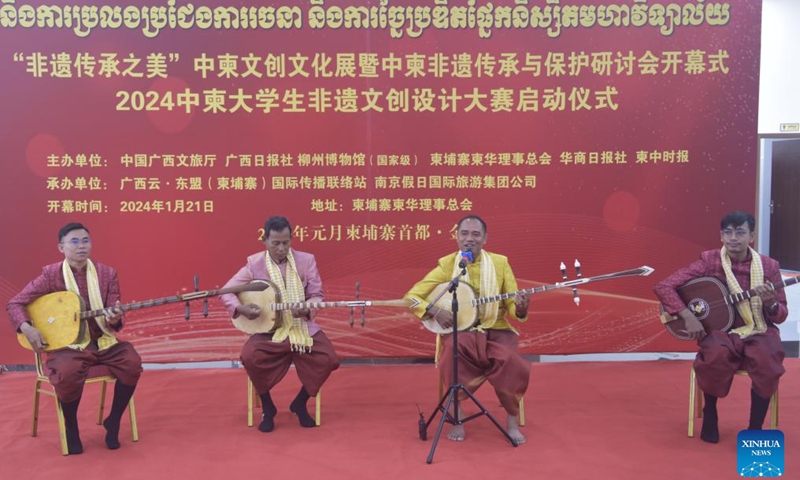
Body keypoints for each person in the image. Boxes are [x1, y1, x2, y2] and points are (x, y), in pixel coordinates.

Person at [6, 222, 142, 454]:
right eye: (74, 242)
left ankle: (114, 420)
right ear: (61, 247)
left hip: (104, 342)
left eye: (85, 241)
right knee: (67, 372)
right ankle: (71, 427)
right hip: (68, 347)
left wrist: (113, 317)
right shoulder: (51, 275)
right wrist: (27, 328)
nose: (81, 246)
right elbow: (14, 303)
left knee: (132, 363)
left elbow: (115, 320)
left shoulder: (107, 274)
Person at [654, 211, 787, 443]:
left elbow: (781, 315)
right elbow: (664, 286)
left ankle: (755, 428)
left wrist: (771, 303)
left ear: (752, 236)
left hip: (759, 330)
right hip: (722, 331)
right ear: (721, 236)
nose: (733, 238)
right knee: (714, 354)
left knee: (768, 359)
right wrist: (687, 316)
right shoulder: (710, 261)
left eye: (740, 232)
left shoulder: (769, 267)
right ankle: (711, 414)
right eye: (728, 232)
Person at [404, 215, 530, 443]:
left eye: (475, 234)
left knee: (511, 359)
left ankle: (511, 421)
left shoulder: (500, 263)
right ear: (457, 237)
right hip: (462, 331)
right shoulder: (446, 265)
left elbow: (512, 305)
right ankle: (458, 415)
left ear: (485, 239)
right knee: (451, 352)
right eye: (464, 234)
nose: (469, 239)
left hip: (496, 329)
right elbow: (411, 298)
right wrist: (432, 310)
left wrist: (519, 308)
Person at [220, 216, 340, 432]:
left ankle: (300, 403)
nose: (281, 248)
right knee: (250, 357)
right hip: (269, 329)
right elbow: (227, 290)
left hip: (301, 327)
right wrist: (241, 308)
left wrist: (307, 308)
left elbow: (316, 295)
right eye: (275, 243)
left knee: (329, 358)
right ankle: (268, 406)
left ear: (291, 239)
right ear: (265, 241)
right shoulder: (254, 263)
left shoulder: (306, 261)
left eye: (286, 242)